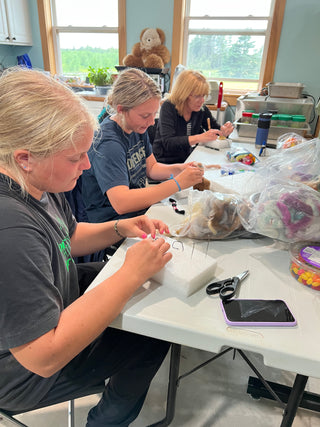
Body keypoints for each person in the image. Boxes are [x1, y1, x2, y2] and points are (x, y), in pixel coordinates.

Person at [0, 66, 174, 427]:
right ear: (24, 157)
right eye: (74, 157)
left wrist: (118, 227)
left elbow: (69, 236)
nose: (87, 164)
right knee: (152, 335)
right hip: (21, 373)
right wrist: (129, 273)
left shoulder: (38, 185)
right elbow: (43, 356)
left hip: (54, 297)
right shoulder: (10, 227)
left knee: (149, 294)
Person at [81, 67, 204, 224]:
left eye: (154, 114)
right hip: (112, 223)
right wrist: (177, 183)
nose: (152, 122)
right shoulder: (108, 143)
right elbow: (122, 203)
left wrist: (179, 169)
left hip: (137, 211)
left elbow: (151, 168)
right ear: (121, 110)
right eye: (146, 115)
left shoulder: (136, 126)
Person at [153, 69, 234, 164]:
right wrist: (199, 137)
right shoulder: (168, 107)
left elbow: (215, 129)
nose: (202, 100)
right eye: (197, 96)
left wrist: (224, 131)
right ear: (183, 94)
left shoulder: (201, 110)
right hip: (165, 162)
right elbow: (168, 143)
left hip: (188, 159)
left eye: (204, 96)